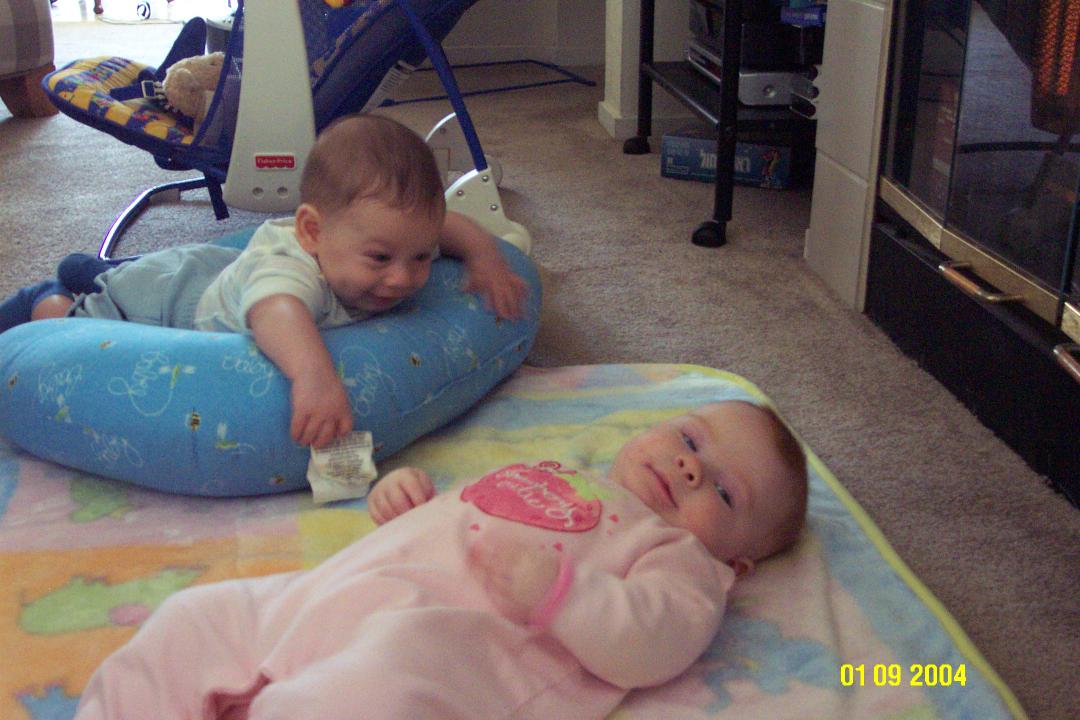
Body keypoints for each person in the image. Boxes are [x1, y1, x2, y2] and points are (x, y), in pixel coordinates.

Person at [73, 400, 808, 720]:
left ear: (737, 564)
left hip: (436, 648)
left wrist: (564, 593)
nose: (689, 467)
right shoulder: (561, 470)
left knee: (360, 700)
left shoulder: (683, 559)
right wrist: (407, 501)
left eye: (725, 492)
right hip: (327, 594)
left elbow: (655, 639)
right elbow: (466, 515)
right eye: (689, 438)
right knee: (194, 620)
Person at [0, 113, 528, 448]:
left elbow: (449, 225)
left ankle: (88, 269)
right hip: (165, 301)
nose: (404, 276)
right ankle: (52, 293)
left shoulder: (390, 234)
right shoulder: (291, 273)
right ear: (312, 232)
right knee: (75, 318)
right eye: (381, 258)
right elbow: (276, 309)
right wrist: (314, 376)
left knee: (148, 269)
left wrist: (485, 259)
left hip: (212, 269)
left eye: (420, 257)